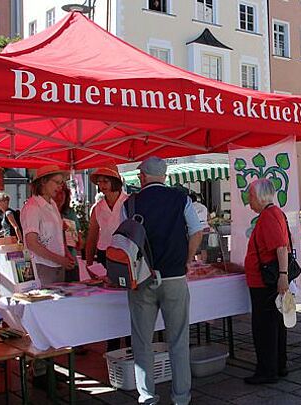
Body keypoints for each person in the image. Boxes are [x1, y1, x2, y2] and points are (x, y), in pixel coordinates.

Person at [127, 156, 203, 405]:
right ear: (165, 176)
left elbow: (122, 241)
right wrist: (188, 259)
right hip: (174, 276)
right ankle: (181, 397)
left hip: (141, 279)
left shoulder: (130, 203)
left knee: (142, 340)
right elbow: (196, 231)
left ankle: (147, 396)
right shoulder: (181, 199)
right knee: (179, 339)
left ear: (142, 177)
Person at [243, 178, 290, 384]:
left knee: (264, 328)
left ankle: (267, 371)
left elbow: (280, 247)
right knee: (275, 325)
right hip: (268, 280)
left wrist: (283, 275)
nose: (249, 202)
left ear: (260, 198)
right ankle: (278, 366)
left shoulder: (269, 216)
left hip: (264, 282)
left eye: (251, 197)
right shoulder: (275, 213)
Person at [85, 165, 129, 352]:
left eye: (105, 180)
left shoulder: (129, 202)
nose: (102, 185)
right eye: (99, 181)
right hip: (105, 257)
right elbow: (92, 236)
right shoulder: (98, 207)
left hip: (126, 256)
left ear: (115, 181)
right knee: (108, 302)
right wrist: (88, 263)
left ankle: (130, 344)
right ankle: (112, 347)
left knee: (126, 301)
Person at [21, 165, 75, 286]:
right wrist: (60, 259)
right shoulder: (32, 207)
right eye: (57, 182)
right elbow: (32, 243)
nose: (60, 187)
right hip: (41, 267)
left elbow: (58, 235)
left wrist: (66, 253)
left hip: (58, 266)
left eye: (61, 183)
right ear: (44, 182)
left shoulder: (52, 205)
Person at [52, 183, 81, 282]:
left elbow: (79, 242)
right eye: (57, 193)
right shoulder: (47, 212)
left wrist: (78, 239)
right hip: (54, 263)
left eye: (62, 193)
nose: (59, 197)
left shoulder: (70, 213)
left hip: (71, 262)